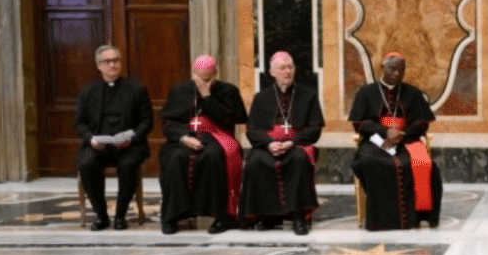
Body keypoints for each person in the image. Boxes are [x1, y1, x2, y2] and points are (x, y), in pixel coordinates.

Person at [349, 52, 442, 231]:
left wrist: (403, 133)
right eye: (393, 69)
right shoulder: (366, 93)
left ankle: (414, 217)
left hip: (407, 141)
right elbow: (359, 122)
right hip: (376, 142)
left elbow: (422, 122)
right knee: (370, 162)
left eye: (401, 70)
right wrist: (385, 131)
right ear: (382, 68)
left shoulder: (412, 93)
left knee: (423, 164)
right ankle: (379, 219)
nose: (397, 74)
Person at [158, 55, 248, 235]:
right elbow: (168, 121)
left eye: (208, 77)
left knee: (213, 157)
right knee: (175, 158)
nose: (203, 81)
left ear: (215, 71)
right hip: (183, 138)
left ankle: (221, 216)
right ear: (193, 71)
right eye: (200, 77)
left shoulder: (228, 90)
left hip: (216, 137)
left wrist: (207, 95)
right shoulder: (180, 89)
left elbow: (231, 118)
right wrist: (183, 138)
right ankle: (172, 216)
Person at [240, 51, 324, 235]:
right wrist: (269, 143)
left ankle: (300, 216)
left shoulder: (308, 95)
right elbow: (252, 130)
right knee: (255, 162)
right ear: (272, 72)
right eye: (282, 68)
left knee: (299, 161)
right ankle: (267, 216)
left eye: (290, 67)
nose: (287, 71)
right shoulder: (261, 98)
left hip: (297, 144)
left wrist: (291, 142)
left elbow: (315, 128)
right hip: (269, 144)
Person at [74, 45, 154, 231]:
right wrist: (91, 139)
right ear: (98, 65)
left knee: (128, 165)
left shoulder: (136, 89)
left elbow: (147, 121)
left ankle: (120, 215)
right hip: (98, 145)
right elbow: (79, 123)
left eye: (116, 61)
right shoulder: (88, 91)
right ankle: (101, 216)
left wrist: (132, 137)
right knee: (86, 164)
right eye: (107, 62)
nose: (112, 65)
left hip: (128, 144)